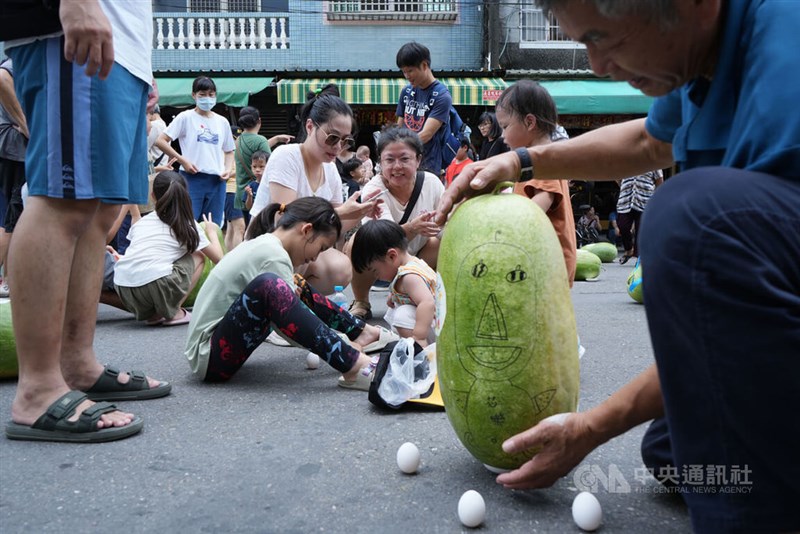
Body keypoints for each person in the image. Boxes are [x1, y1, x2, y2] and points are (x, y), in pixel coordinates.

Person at [436, 1, 800, 531]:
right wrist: (519, 161)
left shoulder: (786, 57)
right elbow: (649, 140)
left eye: (602, 38)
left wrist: (592, 428)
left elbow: (752, 319)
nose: (598, 65)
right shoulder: (699, 62)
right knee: (673, 449)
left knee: (688, 219)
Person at [4, 0, 171, 443]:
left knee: (99, 211)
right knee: (63, 199)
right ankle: (38, 389)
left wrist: (142, 61)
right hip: (69, 27)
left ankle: (77, 364)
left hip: (123, 44)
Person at [184, 197, 397, 391]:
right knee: (271, 285)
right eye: (321, 248)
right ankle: (352, 364)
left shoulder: (267, 244)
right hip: (211, 357)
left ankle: (361, 331)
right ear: (307, 230)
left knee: (294, 283)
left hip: (215, 350)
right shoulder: (273, 255)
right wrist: (341, 343)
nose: (315, 258)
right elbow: (288, 326)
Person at [249, 94, 382, 295]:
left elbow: (334, 227)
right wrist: (340, 212)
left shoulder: (330, 169)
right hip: (268, 242)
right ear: (310, 127)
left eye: (345, 141)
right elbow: (286, 221)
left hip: (301, 245)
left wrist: (360, 212)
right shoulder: (286, 156)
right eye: (332, 137)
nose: (338, 147)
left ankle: (296, 299)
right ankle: (281, 300)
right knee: (302, 241)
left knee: (340, 267)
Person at [345, 126, 444, 320]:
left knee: (439, 242)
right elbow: (382, 239)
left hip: (418, 257)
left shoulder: (432, 183)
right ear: (380, 162)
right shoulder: (373, 189)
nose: (397, 166)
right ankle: (361, 301)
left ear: (418, 160)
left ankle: (423, 295)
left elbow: (446, 226)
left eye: (405, 159)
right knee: (358, 241)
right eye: (389, 160)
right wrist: (413, 227)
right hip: (380, 260)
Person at [113, 171, 224, 326]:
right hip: (157, 286)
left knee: (158, 264)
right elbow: (220, 260)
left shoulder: (143, 223)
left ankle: (154, 314)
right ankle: (174, 311)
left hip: (124, 289)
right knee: (199, 255)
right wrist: (212, 232)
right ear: (184, 194)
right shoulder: (187, 224)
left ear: (152, 196)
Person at [495, 80, 577, 286]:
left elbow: (537, 207)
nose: (502, 136)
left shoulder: (542, 161)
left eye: (505, 127)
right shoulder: (532, 161)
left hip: (547, 264)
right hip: (541, 261)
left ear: (530, 122)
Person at [155, 75, 235, 225]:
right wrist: (182, 160)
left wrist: (228, 169)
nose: (207, 98)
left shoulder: (222, 121)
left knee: (213, 226)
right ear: (194, 95)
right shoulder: (185, 117)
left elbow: (229, 151)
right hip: (191, 178)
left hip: (217, 181)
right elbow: (160, 141)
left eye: (211, 94)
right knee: (187, 224)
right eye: (202, 94)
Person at [351, 220, 436, 347]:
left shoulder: (409, 277)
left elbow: (427, 303)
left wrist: (419, 336)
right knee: (396, 309)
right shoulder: (413, 263)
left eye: (375, 271)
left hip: (435, 326)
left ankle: (418, 348)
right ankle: (407, 341)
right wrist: (394, 295)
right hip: (433, 323)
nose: (376, 277)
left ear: (391, 256)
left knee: (402, 315)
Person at [233, 106, 293, 239]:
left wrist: (276, 139)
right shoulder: (260, 140)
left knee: (244, 230)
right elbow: (270, 162)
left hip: (242, 192)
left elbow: (256, 153)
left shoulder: (238, 140)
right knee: (261, 232)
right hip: (258, 193)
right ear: (259, 121)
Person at [395, 42, 452, 176]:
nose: (407, 76)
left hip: (427, 165)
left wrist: (398, 147)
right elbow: (399, 126)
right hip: (403, 161)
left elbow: (426, 135)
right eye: (404, 71)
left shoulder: (441, 95)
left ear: (424, 65)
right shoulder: (406, 91)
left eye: (410, 70)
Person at [0, 57, 28, 300]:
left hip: (11, 149)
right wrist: (25, 124)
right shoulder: (17, 60)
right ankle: (8, 280)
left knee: (10, 217)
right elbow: (2, 77)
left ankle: (9, 280)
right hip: (15, 148)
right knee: (13, 218)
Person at [616, 170, 663, 264]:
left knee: (641, 230)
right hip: (626, 199)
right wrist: (626, 186)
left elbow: (659, 181)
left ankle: (640, 256)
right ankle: (629, 249)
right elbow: (617, 176)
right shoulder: (623, 162)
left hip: (645, 200)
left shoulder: (654, 162)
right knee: (622, 226)